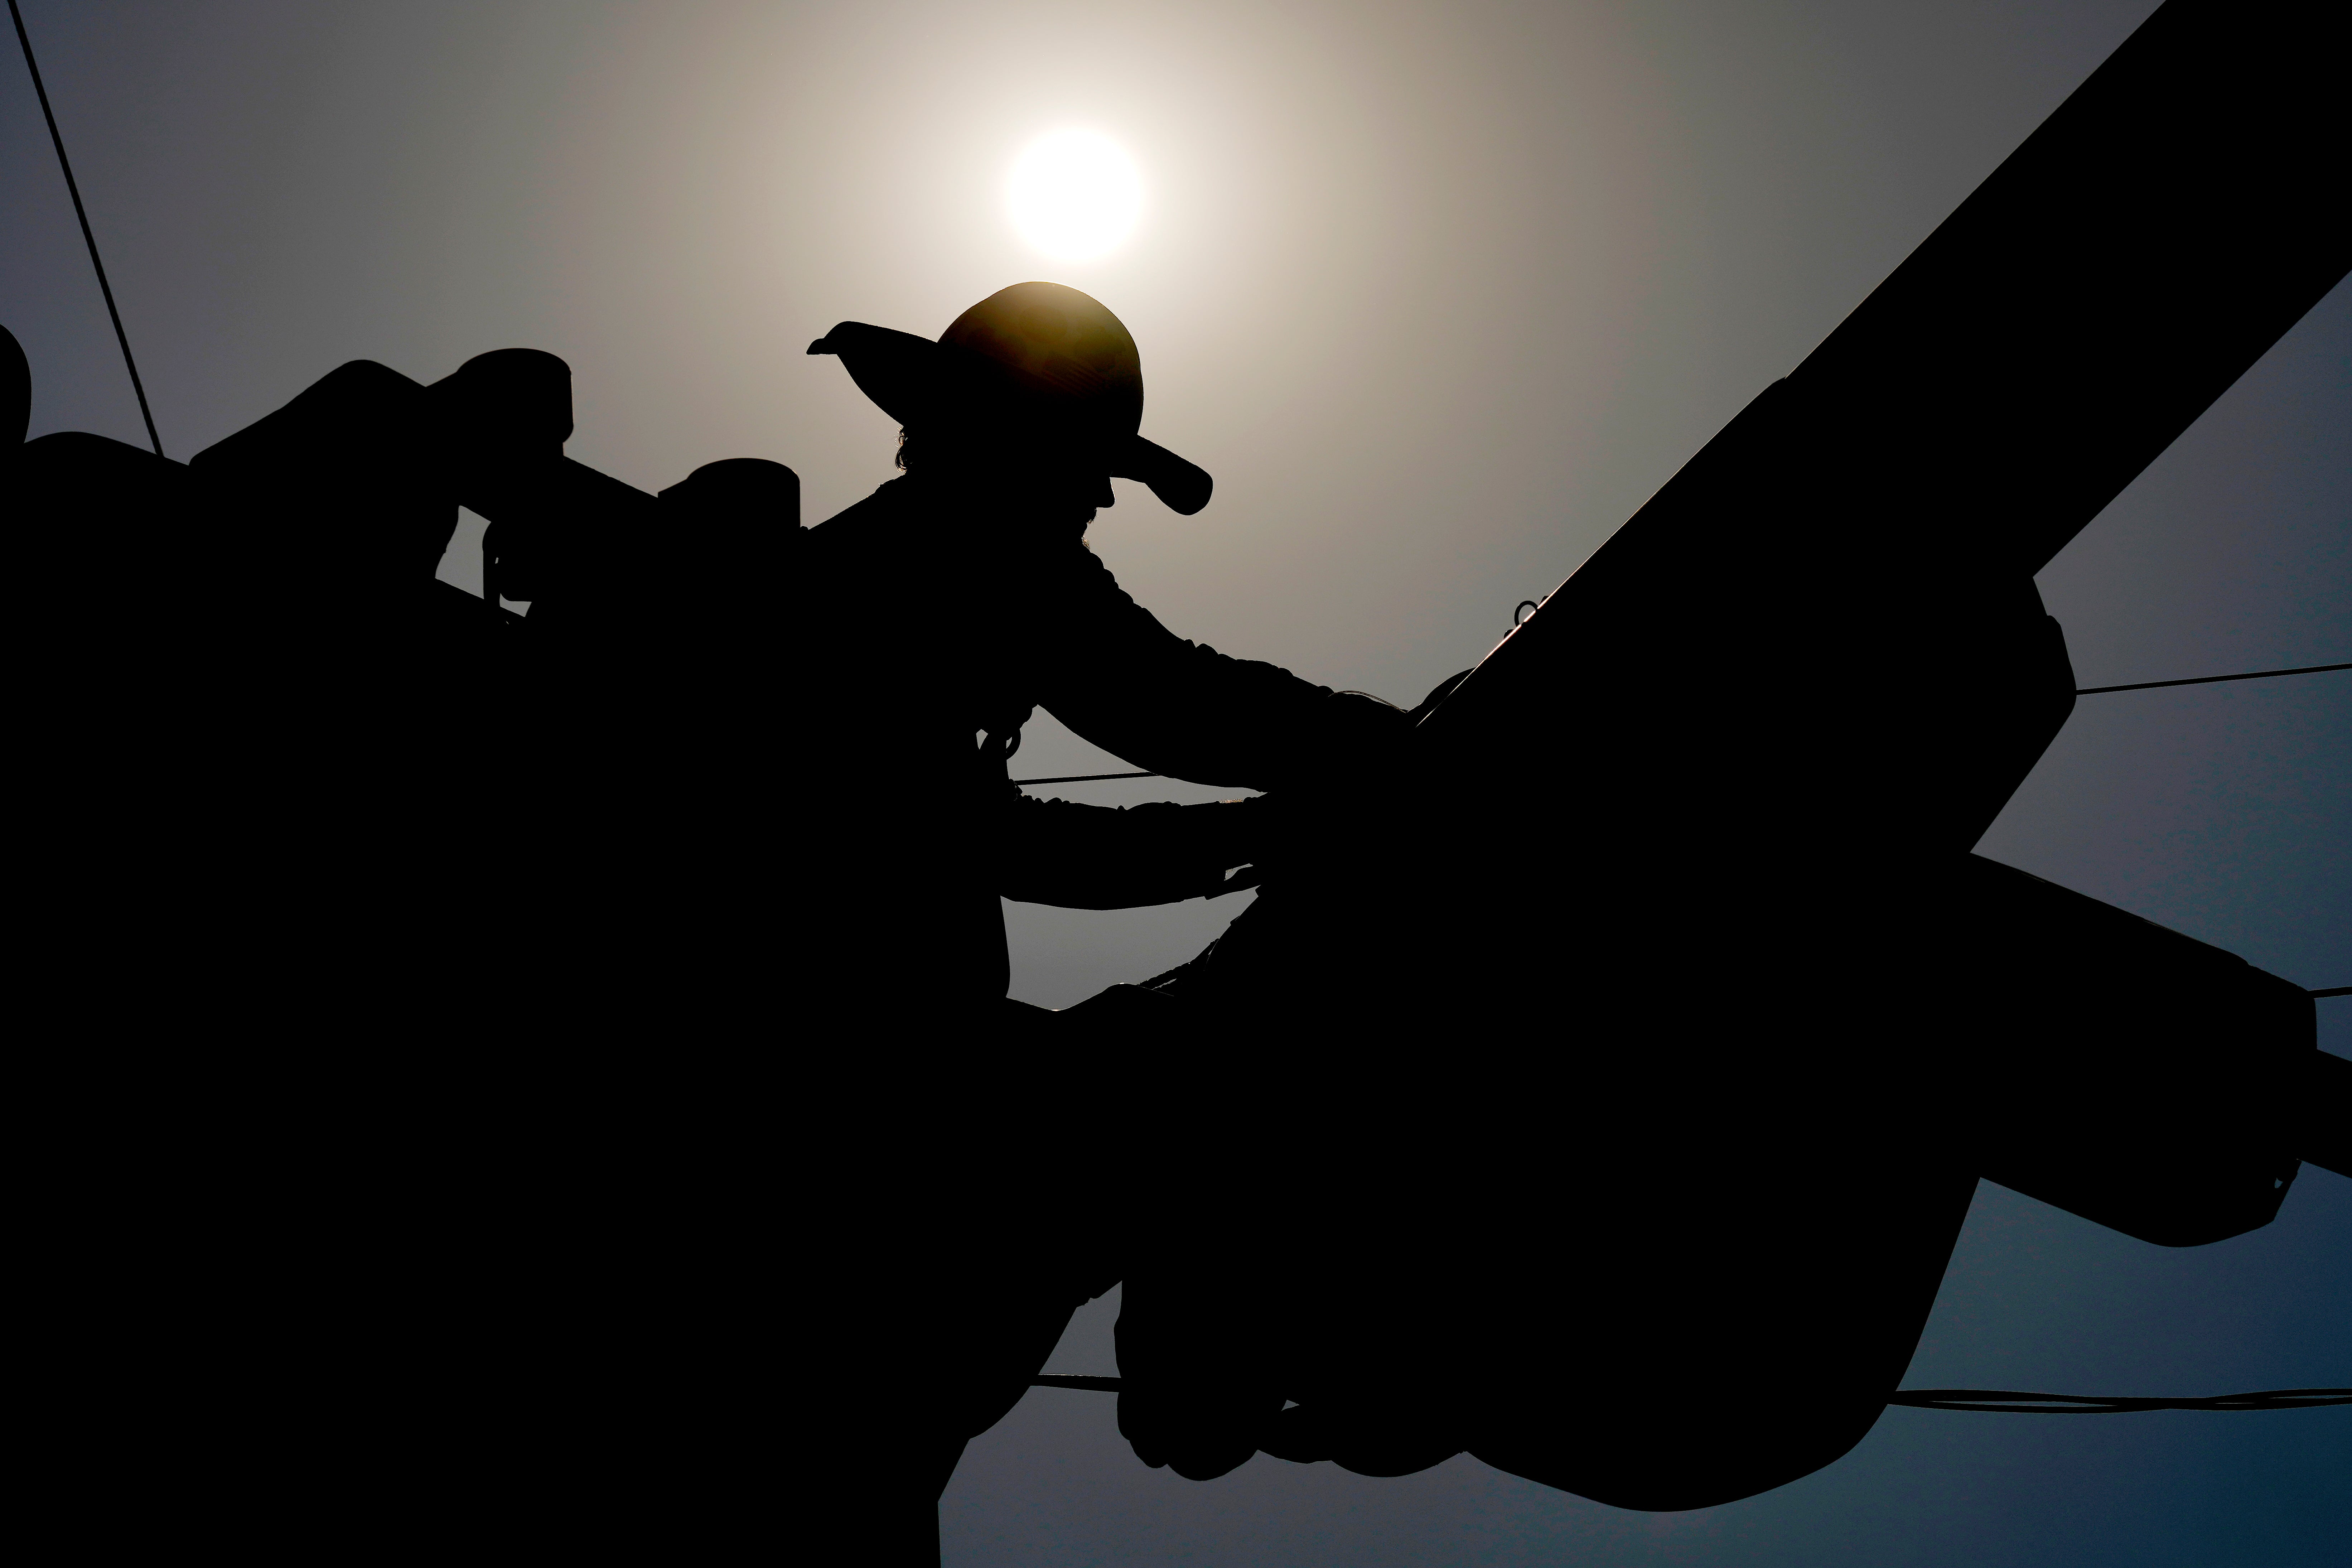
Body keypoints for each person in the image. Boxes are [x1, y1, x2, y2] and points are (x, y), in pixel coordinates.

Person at [786, 281, 1418, 1562]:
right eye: (1089, 470)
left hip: (874, 1031)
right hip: (843, 1047)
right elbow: (1166, 707)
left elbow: (1018, 821)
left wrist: (1258, 827)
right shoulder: (975, 547)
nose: (1098, 503)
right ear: (1019, 445)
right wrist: (1379, 757)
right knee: (1161, 1094)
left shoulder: (924, 556)